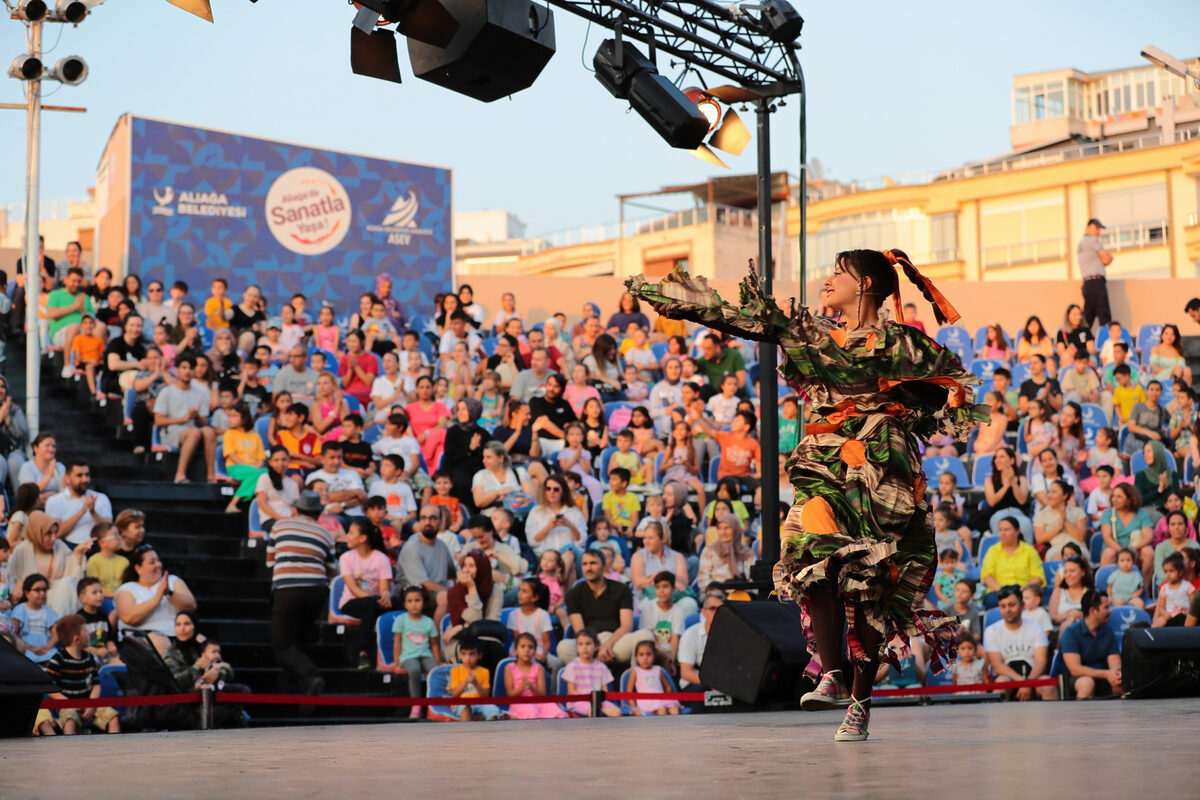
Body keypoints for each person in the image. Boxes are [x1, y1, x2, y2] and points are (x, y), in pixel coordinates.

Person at [631, 250, 985, 741]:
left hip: (877, 469)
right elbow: (751, 320)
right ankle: (835, 672)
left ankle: (859, 700)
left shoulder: (901, 342)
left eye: (839, 273)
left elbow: (954, 387)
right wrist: (686, 302)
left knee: (866, 590)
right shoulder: (814, 334)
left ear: (864, 285)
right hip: (822, 463)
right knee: (806, 555)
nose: (827, 280)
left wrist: (917, 405)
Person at [265, 490, 336, 695]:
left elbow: (270, 562)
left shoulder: (280, 526)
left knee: (281, 646)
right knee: (298, 639)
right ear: (317, 513)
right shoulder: (326, 534)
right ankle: (292, 685)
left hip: (287, 590)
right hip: (316, 592)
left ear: (296, 509)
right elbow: (331, 571)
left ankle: (310, 675)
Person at [556, 549, 653, 665]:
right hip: (589, 643)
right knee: (563, 647)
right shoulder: (573, 594)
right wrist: (596, 646)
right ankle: (589, 674)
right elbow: (580, 631)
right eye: (585, 564)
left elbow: (627, 626)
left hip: (616, 641)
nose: (588, 568)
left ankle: (634, 681)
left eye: (593, 563)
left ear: (604, 566)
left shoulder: (622, 590)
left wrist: (607, 645)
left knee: (645, 636)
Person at [37, 614, 121, 734]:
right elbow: (51, 689)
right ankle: (70, 750)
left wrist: (91, 705)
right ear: (76, 639)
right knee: (70, 721)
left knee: (113, 718)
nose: (88, 634)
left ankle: (114, 751)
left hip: (89, 705)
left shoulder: (89, 658)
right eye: (85, 631)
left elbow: (96, 685)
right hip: (66, 706)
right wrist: (69, 704)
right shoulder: (58, 659)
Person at [982, 585, 1058, 701]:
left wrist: (1028, 682)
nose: (1007, 610)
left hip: (1033, 677)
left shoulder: (1037, 628)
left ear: (1022, 605)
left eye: (1012, 605)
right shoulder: (991, 631)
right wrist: (1022, 682)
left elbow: (1041, 662)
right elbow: (997, 666)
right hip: (1008, 678)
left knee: (1047, 685)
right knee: (1001, 682)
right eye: (1003, 606)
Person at [8, 511, 87, 615]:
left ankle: (57, 625)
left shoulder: (60, 547)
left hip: (57, 599)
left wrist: (78, 554)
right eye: (48, 534)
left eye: (55, 533)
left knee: (67, 582)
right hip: (30, 600)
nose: (53, 538)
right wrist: (18, 582)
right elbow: (8, 575)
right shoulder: (22, 550)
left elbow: (73, 580)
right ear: (37, 532)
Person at [337, 519, 392, 669]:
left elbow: (384, 588)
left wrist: (386, 595)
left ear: (363, 538)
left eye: (351, 533)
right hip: (351, 602)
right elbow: (353, 588)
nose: (347, 536)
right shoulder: (346, 558)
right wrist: (375, 600)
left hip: (374, 602)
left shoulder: (381, 558)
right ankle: (363, 652)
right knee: (371, 604)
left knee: (401, 603)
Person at [154, 355, 217, 484]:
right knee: (194, 432)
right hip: (172, 431)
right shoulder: (167, 391)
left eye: (191, 368)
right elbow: (159, 421)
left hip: (193, 430)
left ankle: (211, 476)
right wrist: (184, 419)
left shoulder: (200, 394)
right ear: (177, 370)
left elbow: (204, 422)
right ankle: (180, 475)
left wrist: (195, 417)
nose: (187, 371)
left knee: (208, 431)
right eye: (184, 368)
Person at [115, 545, 197, 637]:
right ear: (138, 568)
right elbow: (128, 618)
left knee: (202, 641)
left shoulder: (172, 580)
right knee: (157, 640)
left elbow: (191, 606)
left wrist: (169, 593)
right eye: (152, 562)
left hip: (178, 635)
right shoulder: (127, 588)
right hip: (143, 638)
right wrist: (157, 598)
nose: (158, 565)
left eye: (158, 561)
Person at [396, 505, 453, 622]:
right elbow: (424, 584)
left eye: (432, 518)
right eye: (423, 518)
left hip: (435, 592)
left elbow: (454, 572)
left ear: (441, 522)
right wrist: (453, 592)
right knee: (446, 597)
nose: (427, 522)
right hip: (414, 593)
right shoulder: (412, 547)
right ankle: (436, 638)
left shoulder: (442, 546)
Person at [1059, 589, 1120, 698]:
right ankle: (1081, 715)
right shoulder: (1070, 633)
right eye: (1106, 607)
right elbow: (1075, 670)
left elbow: (1115, 662)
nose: (1110, 611)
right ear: (1093, 611)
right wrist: (1107, 674)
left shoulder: (1108, 631)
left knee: (1120, 682)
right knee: (1087, 683)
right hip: (1076, 679)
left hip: (1103, 676)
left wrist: (1116, 673)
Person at [392, 586, 441, 718]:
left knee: (434, 670)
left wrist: (439, 661)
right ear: (404, 604)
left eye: (417, 600)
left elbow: (434, 644)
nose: (414, 604)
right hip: (408, 656)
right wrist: (397, 660)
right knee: (414, 669)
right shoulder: (401, 620)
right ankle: (416, 704)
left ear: (423, 602)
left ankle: (434, 704)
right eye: (410, 601)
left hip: (425, 655)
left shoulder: (429, 622)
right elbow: (397, 642)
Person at [979, 516, 1044, 607]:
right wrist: (1002, 591)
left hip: (1023, 592)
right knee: (994, 601)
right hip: (998, 592)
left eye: (1006, 530)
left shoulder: (1029, 550)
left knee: (1029, 601)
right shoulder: (993, 551)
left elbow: (1038, 577)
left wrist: (1022, 590)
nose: (1002, 533)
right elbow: (986, 575)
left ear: (1017, 531)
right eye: (1000, 530)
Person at [44, 460, 112, 546]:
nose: (85, 479)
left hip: (98, 547)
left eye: (87, 475)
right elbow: (56, 534)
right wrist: (81, 512)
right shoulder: (55, 501)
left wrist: (93, 513)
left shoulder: (101, 498)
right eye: (79, 475)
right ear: (68, 479)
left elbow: (110, 531)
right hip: (67, 547)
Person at [560, 628, 622, 717]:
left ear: (596, 646)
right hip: (578, 702)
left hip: (599, 701)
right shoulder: (572, 666)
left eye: (588, 644)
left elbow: (605, 690)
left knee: (617, 712)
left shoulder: (601, 667)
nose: (584, 647)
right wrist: (589, 699)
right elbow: (571, 691)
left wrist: (598, 701)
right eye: (580, 644)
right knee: (593, 712)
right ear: (577, 647)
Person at [505, 632, 568, 719]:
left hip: (539, 703)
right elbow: (510, 695)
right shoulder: (509, 668)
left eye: (531, 647)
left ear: (535, 651)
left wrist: (531, 686)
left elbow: (543, 694)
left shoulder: (538, 668)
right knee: (532, 714)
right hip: (519, 703)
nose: (527, 650)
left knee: (559, 713)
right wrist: (521, 687)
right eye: (523, 646)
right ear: (516, 650)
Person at [678, 593, 724, 691]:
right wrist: (713, 684)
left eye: (721, 610)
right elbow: (686, 673)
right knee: (703, 690)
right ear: (703, 612)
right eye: (712, 609)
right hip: (695, 684)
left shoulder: (732, 634)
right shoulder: (690, 635)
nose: (717, 613)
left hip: (723, 682)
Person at [447, 639, 502, 720]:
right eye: (464, 654)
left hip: (480, 703)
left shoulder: (484, 672)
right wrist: (466, 682)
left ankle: (491, 732)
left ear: (479, 655)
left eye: (472, 654)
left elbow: (485, 695)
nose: (468, 658)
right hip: (461, 703)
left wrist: (475, 683)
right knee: (465, 707)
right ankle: (466, 731)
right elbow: (454, 695)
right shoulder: (455, 671)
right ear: (460, 656)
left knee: (493, 710)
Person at [11, 573, 59, 663]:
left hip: (46, 650)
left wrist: (47, 648)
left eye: (44, 590)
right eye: (37, 590)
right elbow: (14, 633)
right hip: (26, 649)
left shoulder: (49, 612)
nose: (42, 593)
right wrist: (30, 648)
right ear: (27, 593)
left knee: (56, 657)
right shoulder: (20, 609)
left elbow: (56, 634)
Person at [629, 639, 682, 716]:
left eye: (649, 654)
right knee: (662, 710)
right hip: (646, 701)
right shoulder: (636, 671)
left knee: (675, 710)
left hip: (660, 699)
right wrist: (633, 706)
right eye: (641, 654)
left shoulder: (658, 669)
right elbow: (629, 690)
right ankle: (661, 728)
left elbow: (667, 686)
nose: (645, 658)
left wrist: (668, 698)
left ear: (654, 656)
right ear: (636, 657)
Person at [1078, 219, 1113, 328]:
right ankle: (1107, 341)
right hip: (1096, 282)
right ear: (1088, 228)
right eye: (1096, 228)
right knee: (1104, 316)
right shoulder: (1092, 240)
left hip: (1088, 284)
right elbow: (1107, 258)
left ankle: (1081, 338)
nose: (1098, 232)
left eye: (1099, 229)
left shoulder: (1082, 243)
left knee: (1088, 316)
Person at [1153, 551, 1194, 627]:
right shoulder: (1164, 588)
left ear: (1180, 572)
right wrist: (1164, 614)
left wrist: (1189, 612)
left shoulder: (1187, 586)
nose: (1168, 574)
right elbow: (1161, 606)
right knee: (1159, 623)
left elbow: (1193, 603)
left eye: (1171, 571)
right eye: (1165, 571)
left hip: (1184, 617)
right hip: (1169, 617)